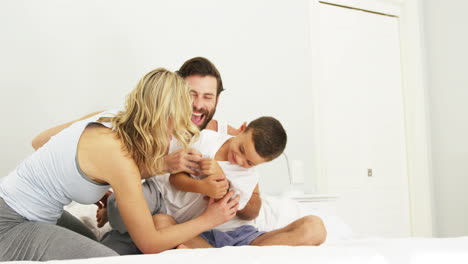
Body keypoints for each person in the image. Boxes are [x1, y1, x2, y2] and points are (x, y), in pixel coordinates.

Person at [0, 68, 239, 261]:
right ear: (164, 117)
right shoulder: (119, 158)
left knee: (94, 245)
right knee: (109, 260)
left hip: (24, 208)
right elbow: (150, 243)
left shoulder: (109, 116)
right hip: (9, 224)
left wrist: (86, 179)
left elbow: (40, 142)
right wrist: (210, 219)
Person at [103, 116, 326, 251]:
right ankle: (220, 256)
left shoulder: (249, 177)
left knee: (315, 227)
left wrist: (220, 180)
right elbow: (175, 178)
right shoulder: (207, 139)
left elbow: (232, 211)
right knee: (160, 223)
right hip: (198, 234)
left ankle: (231, 257)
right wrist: (203, 186)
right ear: (242, 128)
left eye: (249, 162)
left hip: (239, 237)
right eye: (241, 150)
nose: (239, 161)